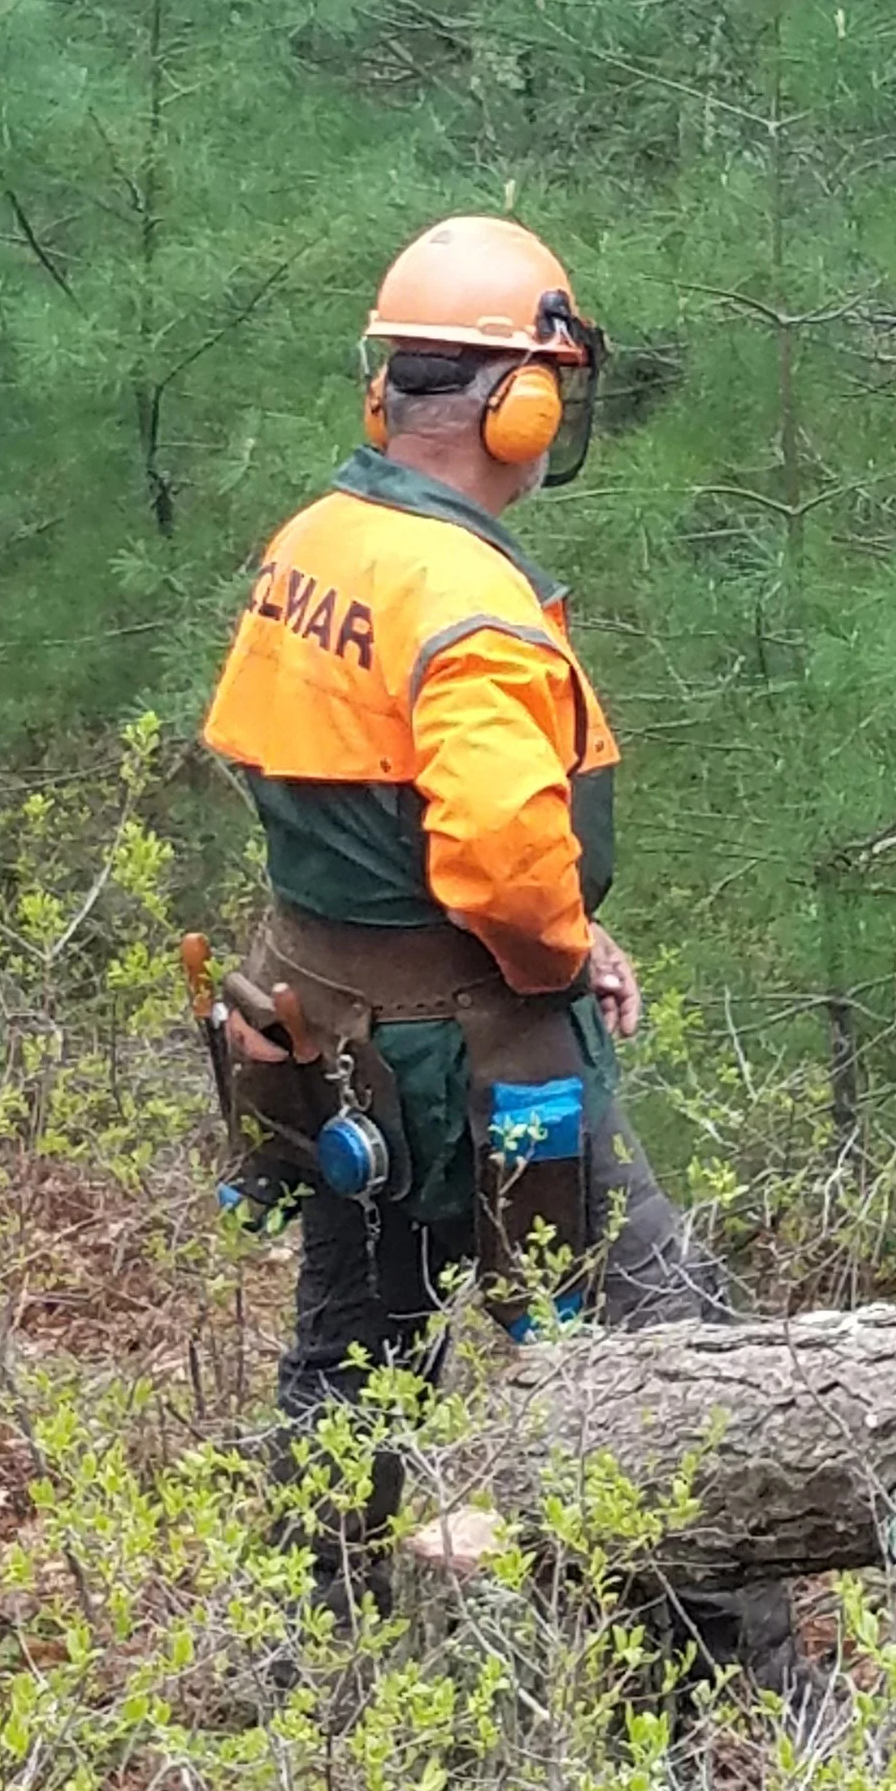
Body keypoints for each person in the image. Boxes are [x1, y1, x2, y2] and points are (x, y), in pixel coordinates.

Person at [199, 214, 792, 1689]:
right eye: (552, 393)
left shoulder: (321, 542)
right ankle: (736, 1689)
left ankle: (299, 1678)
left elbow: (341, 810)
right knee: (670, 1358)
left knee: (352, 1360)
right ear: (520, 404)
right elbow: (500, 858)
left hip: (331, 1039)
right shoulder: (467, 606)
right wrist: (561, 940)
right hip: (485, 1060)